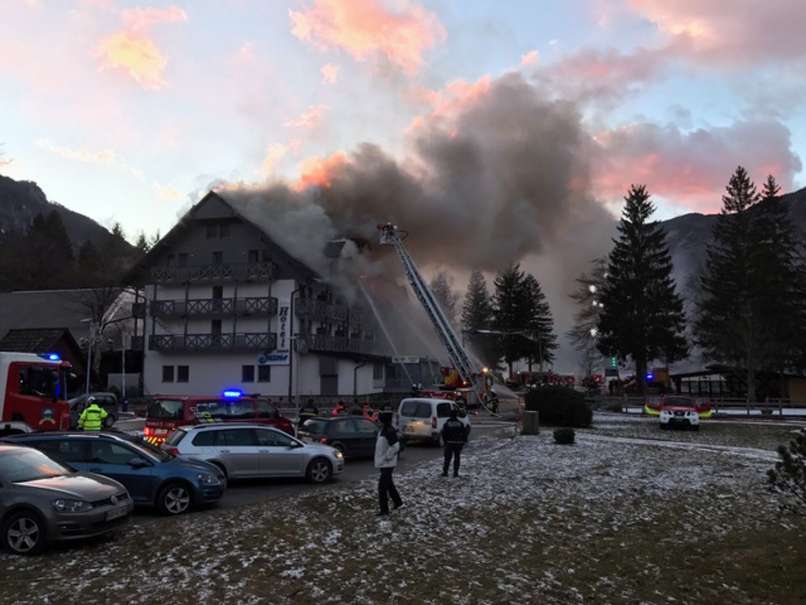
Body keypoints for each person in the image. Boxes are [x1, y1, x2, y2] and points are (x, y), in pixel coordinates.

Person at [374, 411, 402, 516]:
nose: (378, 422)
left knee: (382, 487)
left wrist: (387, 457)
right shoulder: (383, 430)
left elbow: (395, 446)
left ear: (383, 421)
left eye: (379, 420)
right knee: (389, 484)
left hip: (387, 464)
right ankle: (398, 502)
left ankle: (384, 510)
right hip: (384, 463)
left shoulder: (389, 431)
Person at [441, 408, 469, 478]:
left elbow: (444, 433)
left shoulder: (447, 424)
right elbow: (464, 433)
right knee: (457, 458)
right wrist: (463, 442)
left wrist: (445, 442)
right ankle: (455, 473)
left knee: (447, 458)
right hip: (458, 443)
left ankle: (445, 472)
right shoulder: (460, 423)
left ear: (450, 415)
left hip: (449, 443)